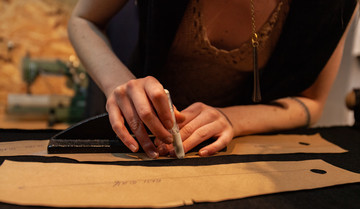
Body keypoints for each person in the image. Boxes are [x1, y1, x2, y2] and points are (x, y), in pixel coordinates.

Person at [68, 0, 358, 159]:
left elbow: (311, 102)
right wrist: (118, 82)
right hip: (140, 145)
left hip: (240, 155)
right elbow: (83, 20)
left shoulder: (333, 6)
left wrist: (231, 120)